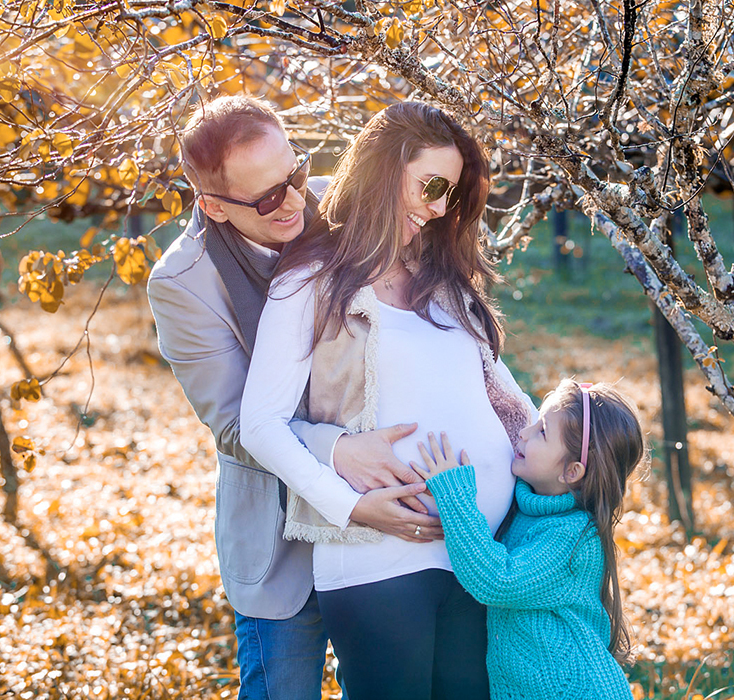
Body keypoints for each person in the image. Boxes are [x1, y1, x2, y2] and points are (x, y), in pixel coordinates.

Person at [147, 95, 443, 700]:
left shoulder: (346, 211)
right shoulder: (182, 283)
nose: (294, 202)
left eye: (296, 174)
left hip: (395, 514)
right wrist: (338, 451)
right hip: (280, 543)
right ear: (212, 206)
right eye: (264, 198)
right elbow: (233, 423)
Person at [239, 102, 536, 699]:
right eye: (431, 186)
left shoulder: (445, 284)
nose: (437, 208)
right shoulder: (312, 281)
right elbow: (260, 425)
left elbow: (506, 401)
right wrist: (348, 508)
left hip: (481, 556)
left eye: (449, 195)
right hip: (381, 556)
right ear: (387, 167)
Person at [412, 379, 643, 700]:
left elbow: (497, 582)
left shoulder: (572, 538)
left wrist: (455, 496)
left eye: (542, 432)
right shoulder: (532, 510)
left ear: (572, 471)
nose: (524, 432)